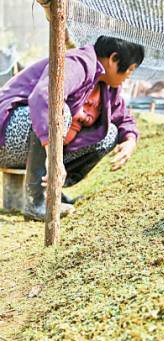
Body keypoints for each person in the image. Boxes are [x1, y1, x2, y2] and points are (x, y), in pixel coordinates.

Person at [0, 36, 145, 221]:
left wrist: (130, 140)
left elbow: (123, 117)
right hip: (7, 134)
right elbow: (44, 97)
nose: (128, 76)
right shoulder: (78, 64)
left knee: (110, 134)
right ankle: (35, 201)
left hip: (30, 149)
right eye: (130, 70)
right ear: (113, 59)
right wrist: (53, 156)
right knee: (59, 111)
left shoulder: (108, 87)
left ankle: (52, 191)